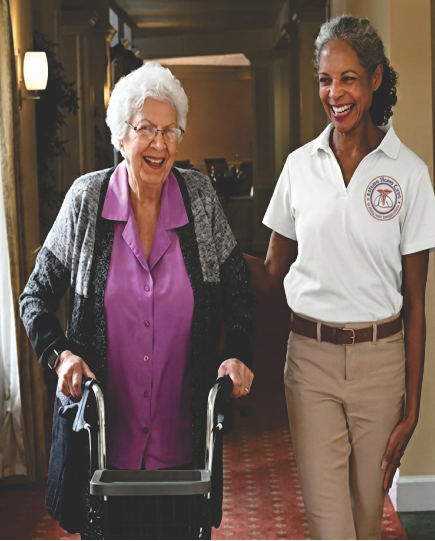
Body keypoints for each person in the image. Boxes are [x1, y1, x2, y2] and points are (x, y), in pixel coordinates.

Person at [20, 62, 255, 538]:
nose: (161, 143)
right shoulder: (86, 201)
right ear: (120, 136)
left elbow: (239, 289)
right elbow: (35, 296)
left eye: (170, 130)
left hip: (183, 448)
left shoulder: (200, 199)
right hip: (104, 448)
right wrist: (60, 354)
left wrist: (239, 354)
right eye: (146, 129)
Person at [246, 15, 435, 540]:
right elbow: (270, 276)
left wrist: (413, 408)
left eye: (348, 78)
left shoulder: (410, 176)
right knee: (333, 529)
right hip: (310, 364)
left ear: (375, 79)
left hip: (382, 365)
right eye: (326, 80)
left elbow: (416, 303)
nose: (336, 93)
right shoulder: (298, 168)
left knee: (366, 524)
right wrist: (209, 245)